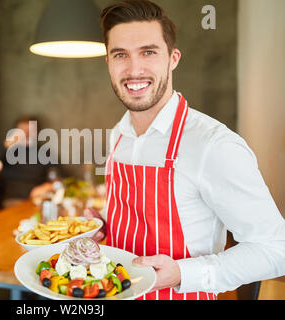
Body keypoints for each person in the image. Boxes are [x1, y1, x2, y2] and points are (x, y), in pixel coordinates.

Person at [85, 0, 284, 300]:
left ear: (173, 58)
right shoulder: (119, 133)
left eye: (148, 52)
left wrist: (182, 273)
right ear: (108, 62)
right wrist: (107, 223)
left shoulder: (213, 145)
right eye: (120, 55)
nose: (134, 69)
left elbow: (276, 248)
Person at [0, 115, 60, 208]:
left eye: (30, 131)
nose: (26, 134)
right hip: (12, 201)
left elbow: (59, 175)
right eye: (22, 131)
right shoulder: (7, 151)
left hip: (37, 200)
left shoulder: (44, 152)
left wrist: (48, 186)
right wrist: (8, 144)